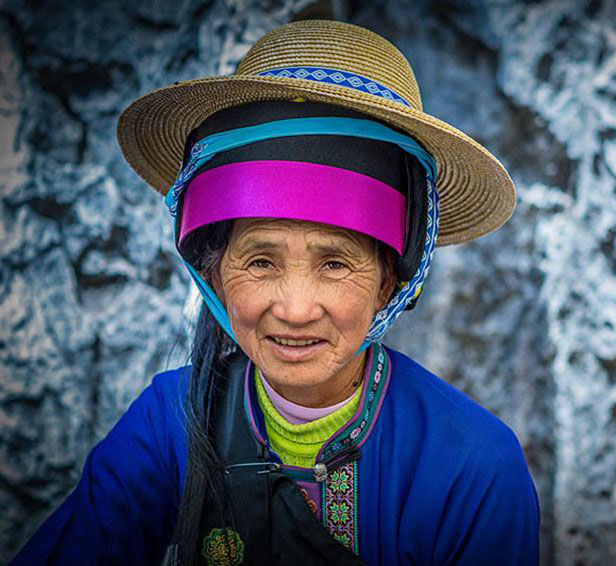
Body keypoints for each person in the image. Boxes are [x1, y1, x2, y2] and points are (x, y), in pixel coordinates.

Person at [11, 19, 540, 566]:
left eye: (335, 264)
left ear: (392, 281)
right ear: (213, 270)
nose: (293, 309)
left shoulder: (472, 467)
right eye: (260, 261)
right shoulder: (168, 423)